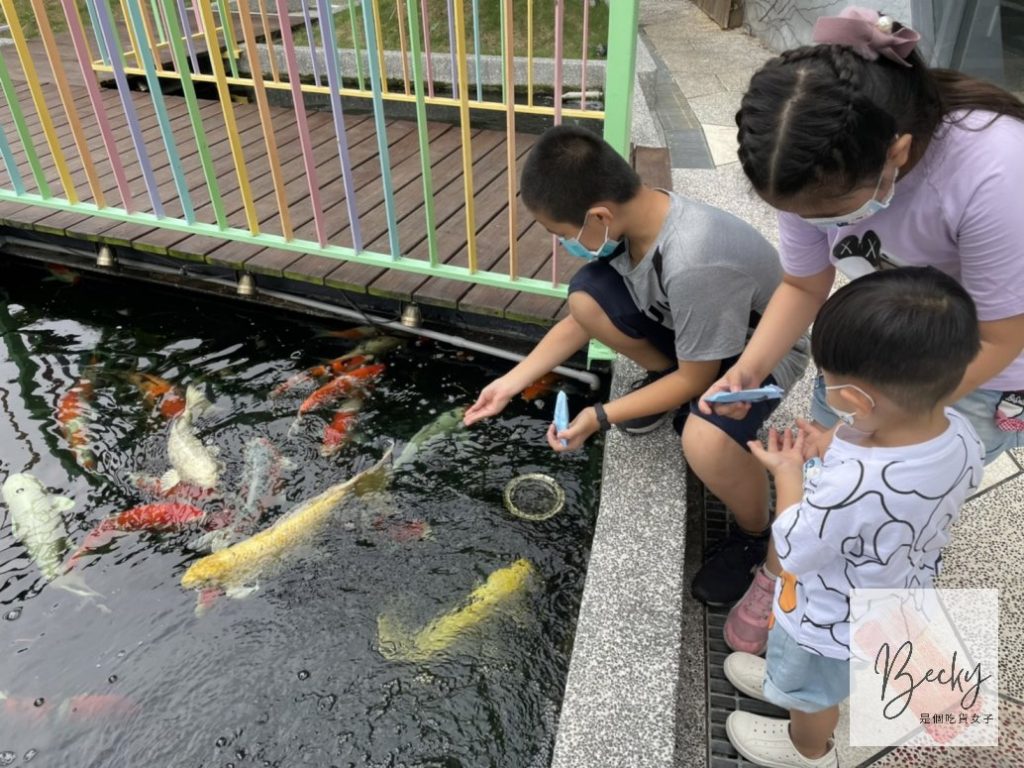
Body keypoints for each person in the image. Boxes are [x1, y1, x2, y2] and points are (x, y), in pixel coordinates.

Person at [701, 5, 1024, 656]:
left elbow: (1002, 336)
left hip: (978, 372)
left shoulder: (998, 171)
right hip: (873, 352)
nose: (815, 226)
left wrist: (869, 425)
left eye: (827, 216)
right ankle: (791, 585)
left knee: (895, 513)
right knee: (833, 486)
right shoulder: (808, 167)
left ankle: (836, 676)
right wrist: (747, 371)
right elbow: (803, 284)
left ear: (897, 155)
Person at [464, 124, 809, 605]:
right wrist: (509, 382)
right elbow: (578, 323)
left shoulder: (693, 261)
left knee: (703, 438)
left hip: (756, 356)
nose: (565, 244)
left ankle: (756, 533)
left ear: (598, 216)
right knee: (587, 297)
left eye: (562, 234)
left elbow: (699, 377)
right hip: (698, 338)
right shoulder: (639, 217)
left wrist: (599, 416)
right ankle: (663, 388)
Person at [723, 267, 984, 768]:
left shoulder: (855, 486)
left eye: (827, 378)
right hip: (892, 587)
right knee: (817, 674)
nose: (825, 384)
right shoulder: (958, 433)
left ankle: (809, 748)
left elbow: (798, 546)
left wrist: (789, 472)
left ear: (857, 399)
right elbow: (884, 460)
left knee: (814, 693)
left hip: (827, 616)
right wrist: (831, 443)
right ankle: (789, 679)